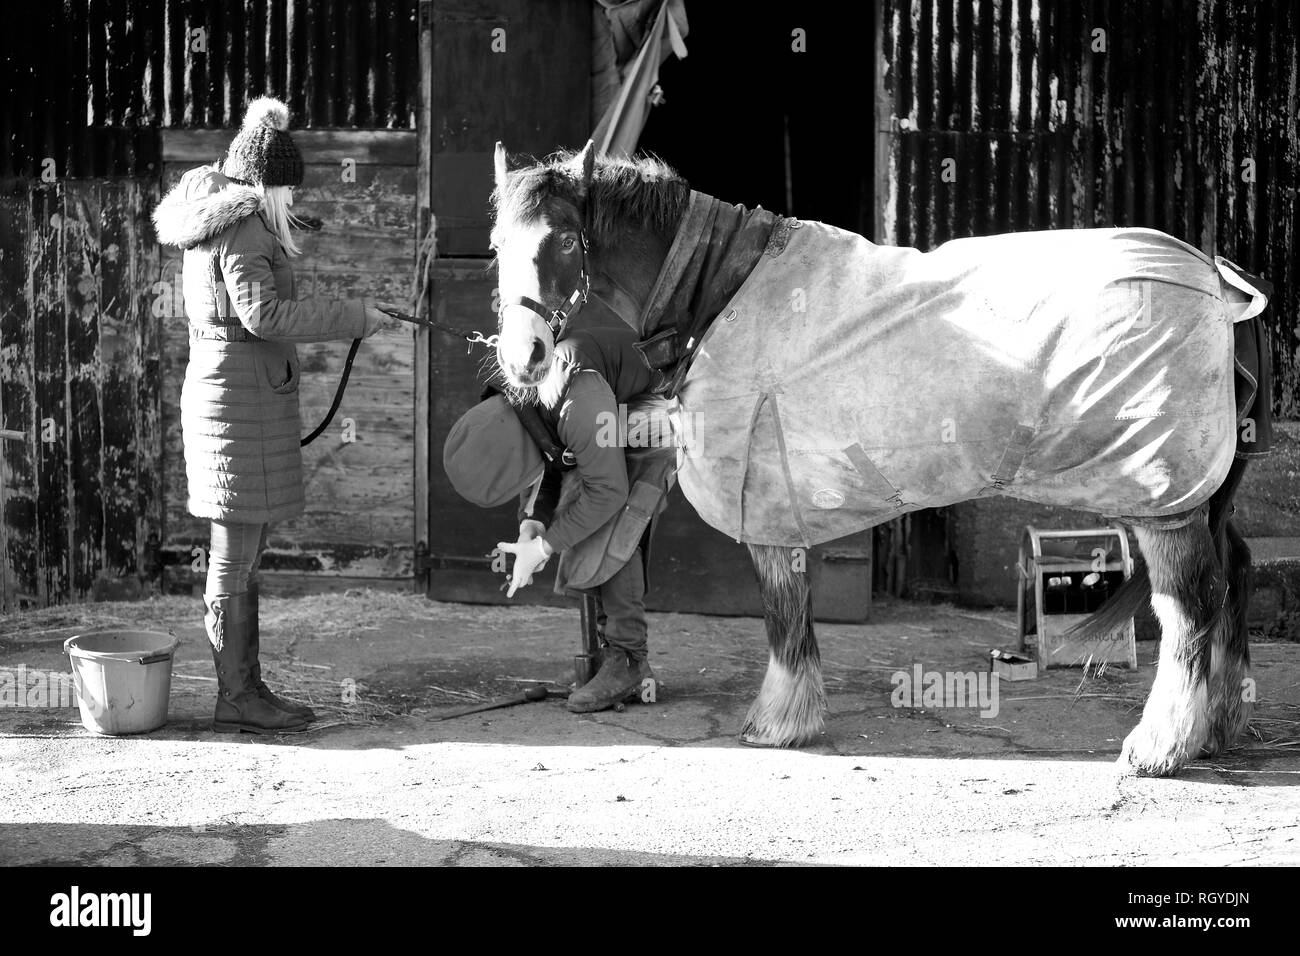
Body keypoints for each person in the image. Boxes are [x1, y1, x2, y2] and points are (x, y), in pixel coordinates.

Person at [152, 96, 398, 734]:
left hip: (236, 394)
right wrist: (352, 316)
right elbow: (262, 316)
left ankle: (246, 688)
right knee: (235, 553)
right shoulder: (246, 226)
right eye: (287, 188)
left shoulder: (229, 220)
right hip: (237, 402)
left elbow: (252, 308)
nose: (292, 199)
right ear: (266, 184)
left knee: (243, 549)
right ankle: (237, 695)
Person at [444, 326, 678, 713]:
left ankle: (628, 659)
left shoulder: (577, 402)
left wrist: (545, 546)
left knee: (605, 521)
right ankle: (614, 655)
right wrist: (531, 525)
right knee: (575, 513)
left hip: (662, 403)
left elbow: (607, 491)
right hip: (609, 412)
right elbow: (549, 458)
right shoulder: (523, 396)